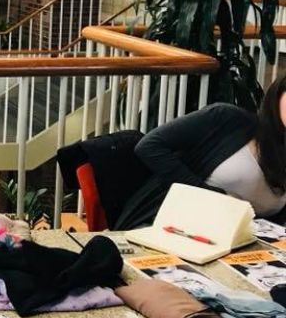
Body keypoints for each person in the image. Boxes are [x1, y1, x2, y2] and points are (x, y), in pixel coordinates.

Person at [115, 75, 286, 229]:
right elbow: (149, 146)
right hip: (171, 226)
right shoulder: (228, 119)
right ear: (277, 97)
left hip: (244, 242)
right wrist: (207, 195)